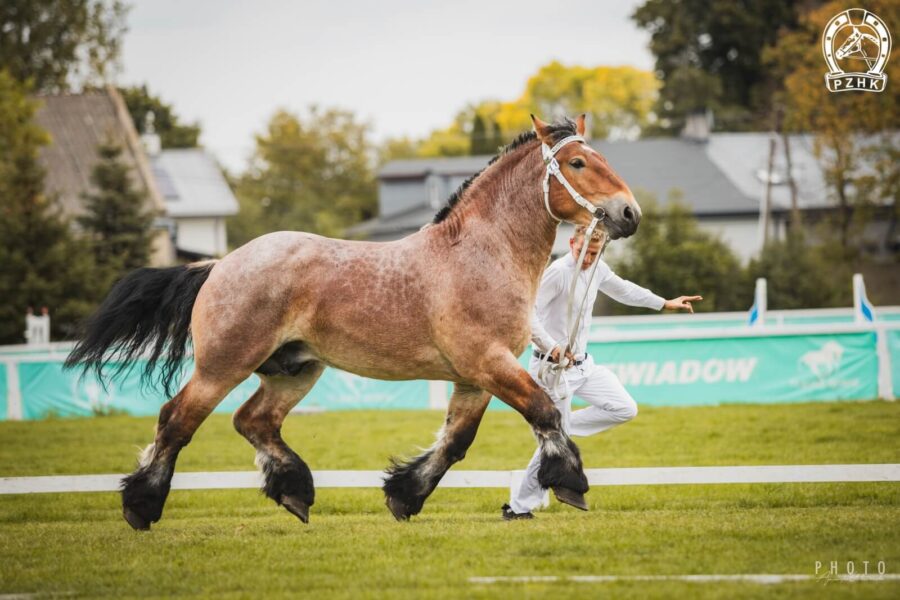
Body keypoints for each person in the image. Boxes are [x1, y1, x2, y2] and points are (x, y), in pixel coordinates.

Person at [502, 225, 702, 519]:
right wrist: (554, 346)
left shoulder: (598, 268)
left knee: (624, 408)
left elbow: (624, 289)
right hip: (551, 367)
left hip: (584, 365)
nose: (588, 259)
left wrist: (664, 303)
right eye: (584, 252)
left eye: (594, 254)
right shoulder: (557, 273)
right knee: (557, 438)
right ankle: (518, 508)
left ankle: (561, 430)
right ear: (572, 243)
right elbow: (527, 315)